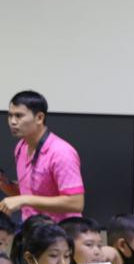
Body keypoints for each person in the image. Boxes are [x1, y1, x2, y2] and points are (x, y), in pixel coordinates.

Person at [0, 90, 85, 221]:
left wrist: (24, 199)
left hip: (59, 231)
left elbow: (76, 203)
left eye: (19, 116)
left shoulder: (61, 152)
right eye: (10, 116)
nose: (12, 122)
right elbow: (29, 194)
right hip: (31, 227)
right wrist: (3, 184)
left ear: (39, 118)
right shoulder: (21, 147)